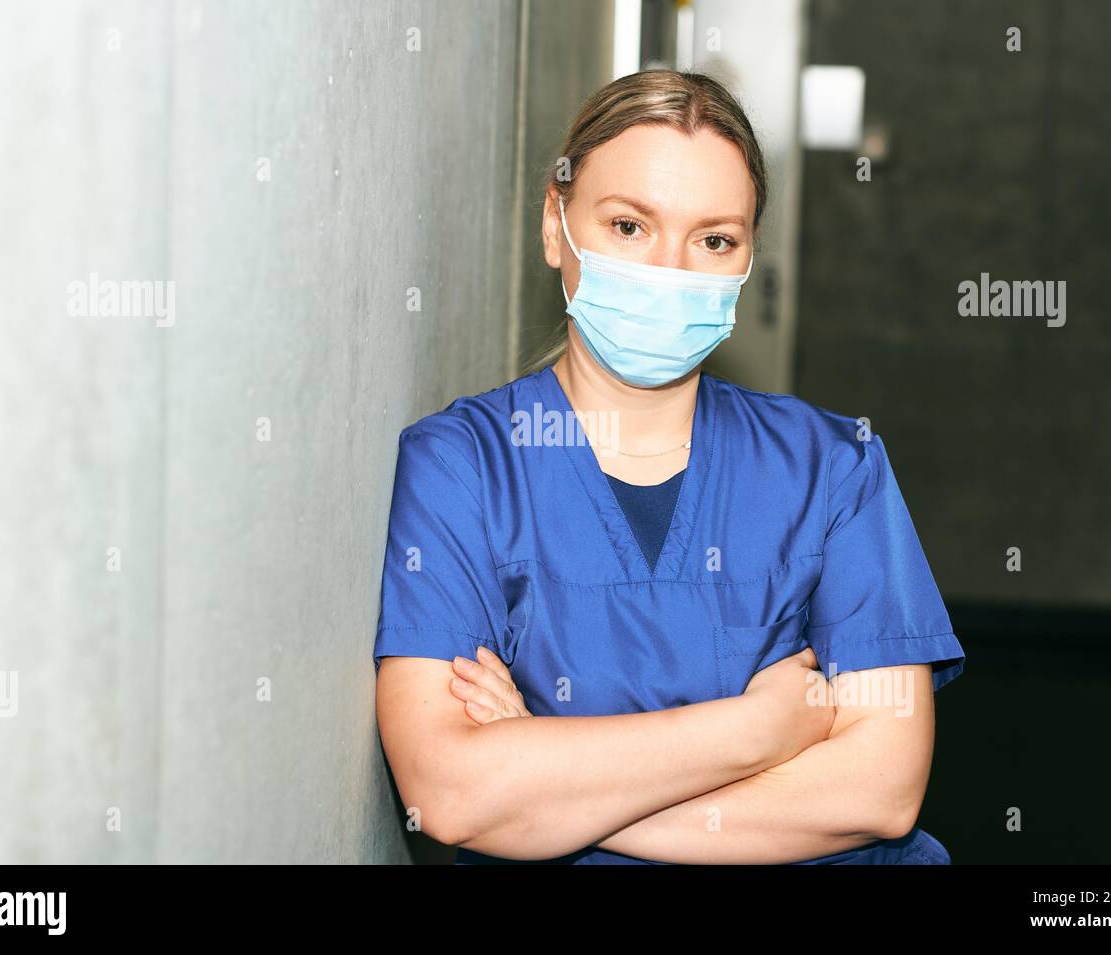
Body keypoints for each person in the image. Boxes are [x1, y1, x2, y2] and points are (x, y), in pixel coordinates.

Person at [372, 69, 964, 865]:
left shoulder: (833, 467)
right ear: (556, 225)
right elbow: (448, 792)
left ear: (749, 258)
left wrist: (548, 787)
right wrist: (756, 732)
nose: (669, 269)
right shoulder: (463, 468)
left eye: (714, 239)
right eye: (628, 226)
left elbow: (880, 789)